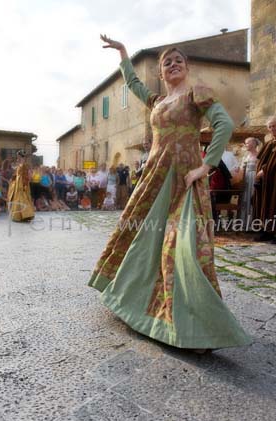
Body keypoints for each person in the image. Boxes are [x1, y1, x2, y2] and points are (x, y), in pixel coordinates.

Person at [89, 35, 250, 352]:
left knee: (183, 247)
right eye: (167, 62)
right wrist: (123, 53)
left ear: (187, 68)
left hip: (182, 180)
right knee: (142, 239)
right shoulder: (157, 101)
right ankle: (136, 304)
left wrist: (206, 166)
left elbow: (224, 125)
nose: (173, 64)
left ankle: (197, 325)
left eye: (178, 60)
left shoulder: (196, 93)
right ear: (161, 73)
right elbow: (134, 84)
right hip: (154, 179)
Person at [238, 137, 259, 230]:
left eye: (247, 143)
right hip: (246, 178)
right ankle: (244, 222)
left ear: (254, 144)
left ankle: (253, 223)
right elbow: (241, 168)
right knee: (245, 198)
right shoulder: (245, 157)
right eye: (245, 143)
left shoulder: (259, 155)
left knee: (252, 198)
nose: (246, 145)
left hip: (254, 178)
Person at [8, 150, 35, 222]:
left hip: (22, 183)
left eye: (18, 156)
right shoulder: (19, 164)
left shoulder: (25, 165)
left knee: (23, 197)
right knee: (17, 198)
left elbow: (27, 175)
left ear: (20, 156)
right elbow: (16, 173)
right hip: (17, 183)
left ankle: (26, 215)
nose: (17, 157)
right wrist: (12, 178)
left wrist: (25, 184)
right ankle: (19, 216)